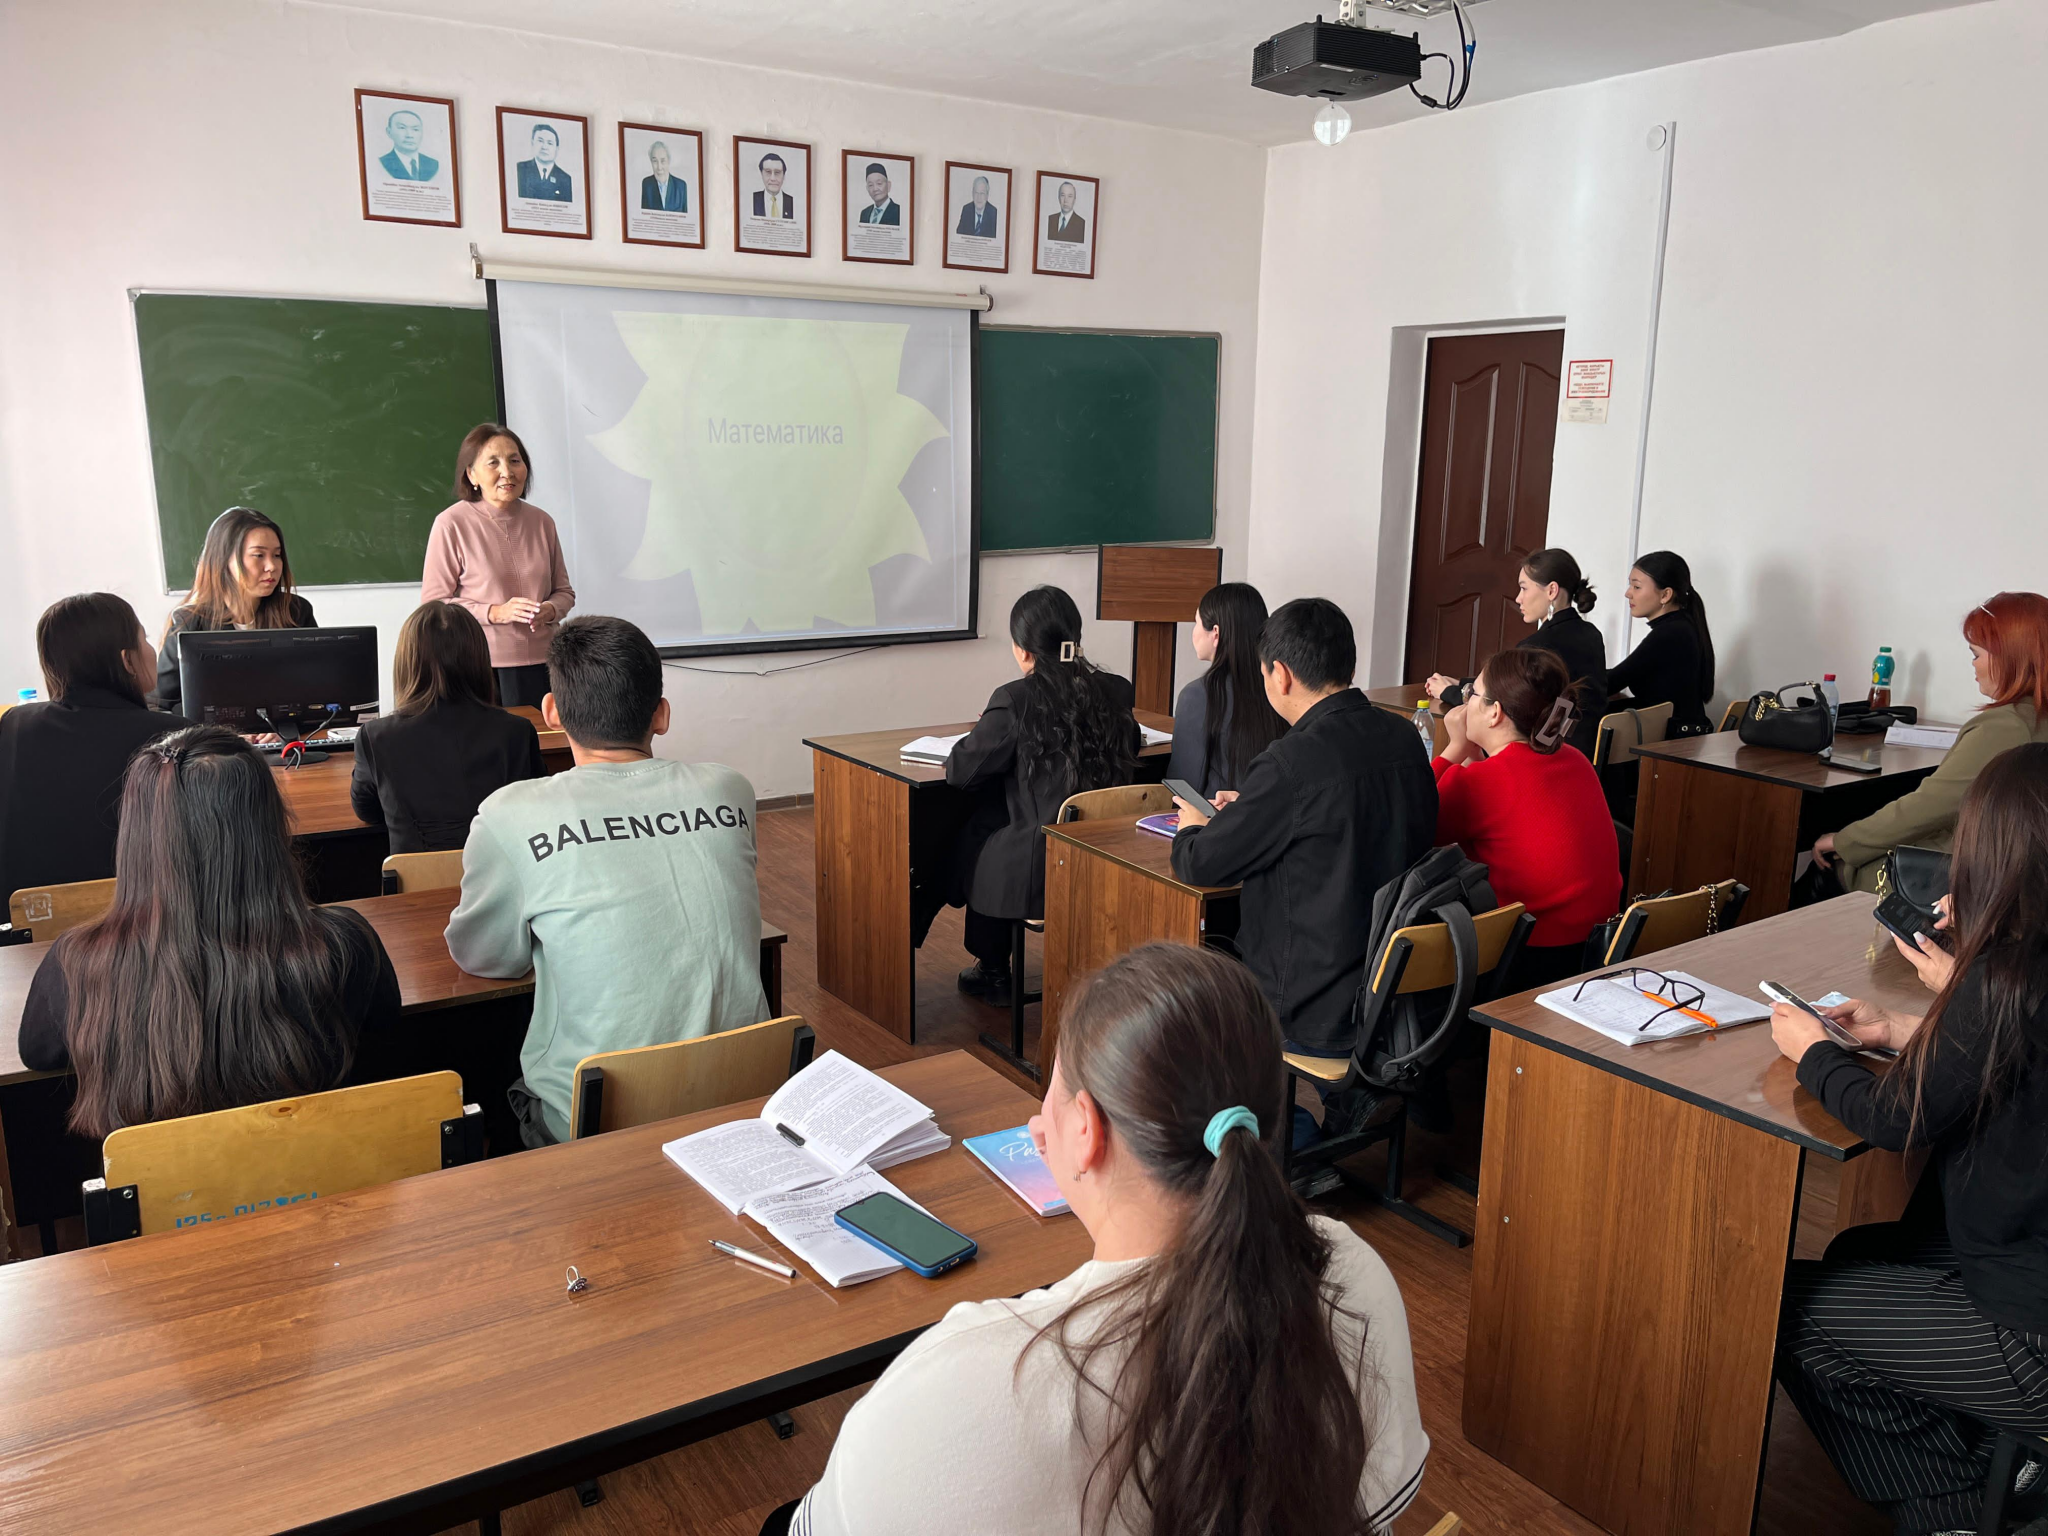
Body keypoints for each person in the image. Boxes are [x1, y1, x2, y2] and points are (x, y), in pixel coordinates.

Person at [766, 943, 1429, 1536]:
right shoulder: (1351, 1271)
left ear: (1085, 1130)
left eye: (1051, 1092)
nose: (1038, 1124)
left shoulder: (963, 1382)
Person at [1768, 743, 2048, 1536]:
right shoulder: (2019, 977)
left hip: (2034, 1331)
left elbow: (1895, 1119)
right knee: (1866, 1252)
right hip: (2024, 1250)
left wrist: (1814, 1053)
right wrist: (1903, 1026)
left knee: (1785, 1307)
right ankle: (1991, 1455)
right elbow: (2012, 1055)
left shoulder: (2008, 979)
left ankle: (1950, 1503)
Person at [445, 616, 768, 1147]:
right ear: (661, 715)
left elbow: (487, 958)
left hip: (601, 1120)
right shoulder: (729, 790)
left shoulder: (510, 814)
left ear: (551, 712)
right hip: (747, 1094)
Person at [17, 727, 410, 1136]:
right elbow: (389, 1040)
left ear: (135, 835)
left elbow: (37, 1052)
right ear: (268, 825)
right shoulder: (346, 945)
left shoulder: (76, 963)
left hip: (160, 1178)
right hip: (327, 1169)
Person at [1170, 598, 1437, 1057]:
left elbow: (1200, 864)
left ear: (1281, 674)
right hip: (1393, 982)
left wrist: (1192, 827)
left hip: (1310, 1000)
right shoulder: (1404, 735)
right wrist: (1256, 805)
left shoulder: (1290, 762)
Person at [941, 587, 1137, 1007]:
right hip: (1110, 852)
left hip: (1044, 863)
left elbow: (961, 771)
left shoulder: (1014, 699)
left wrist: (986, 728)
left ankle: (994, 969)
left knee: (982, 830)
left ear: (1024, 650)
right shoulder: (1117, 690)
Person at [1818, 591, 2048, 893]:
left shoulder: (2007, 726)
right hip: (2016, 874)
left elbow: (1928, 808)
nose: (1973, 665)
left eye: (1976, 655)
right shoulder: (2035, 719)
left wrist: (1844, 841)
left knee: (1831, 866)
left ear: (2009, 658)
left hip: (1960, 876)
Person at [1432, 648, 1619, 989]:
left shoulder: (1480, 783)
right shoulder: (1574, 759)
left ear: (1494, 713)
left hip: (1528, 962)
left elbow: (1412, 822)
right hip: (1599, 949)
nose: (1466, 700)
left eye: (1472, 692)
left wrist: (1454, 748)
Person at [0, 594, 190, 900]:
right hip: (144, 919)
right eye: (144, 639)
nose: (152, 650)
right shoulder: (175, 736)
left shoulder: (14, 725)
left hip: (25, 919)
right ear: (127, 660)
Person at [350, 601, 544, 856]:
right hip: (501, 874)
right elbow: (534, 809)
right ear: (479, 659)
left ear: (407, 663)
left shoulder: (376, 736)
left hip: (417, 879)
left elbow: (367, 811)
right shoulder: (517, 731)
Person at [421, 423, 576, 709]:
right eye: (493, 463)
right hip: (480, 666)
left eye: (515, 461)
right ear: (471, 474)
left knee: (544, 738)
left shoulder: (542, 522)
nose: (507, 472)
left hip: (546, 663)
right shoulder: (451, 523)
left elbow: (564, 592)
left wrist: (550, 610)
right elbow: (435, 604)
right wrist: (496, 612)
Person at [1425, 547, 1608, 760]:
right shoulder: (1591, 634)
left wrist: (1448, 692)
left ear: (1551, 591)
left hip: (1547, 754)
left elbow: (1498, 704)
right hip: (1585, 753)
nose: (1518, 598)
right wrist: (1463, 683)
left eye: (1524, 588)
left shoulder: (1537, 647)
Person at [155, 506, 316, 713]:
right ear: (223, 560)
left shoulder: (295, 611)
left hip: (284, 730)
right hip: (215, 733)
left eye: (277, 555)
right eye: (258, 555)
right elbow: (162, 704)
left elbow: (316, 685)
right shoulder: (190, 622)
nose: (272, 566)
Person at [1166, 581, 1285, 798]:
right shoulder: (1280, 685)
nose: (1193, 632)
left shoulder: (1199, 695)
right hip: (1272, 812)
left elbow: (1183, 787)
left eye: (1196, 622)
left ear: (1215, 633)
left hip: (1216, 814)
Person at [1604, 549, 1715, 735]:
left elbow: (1614, 680)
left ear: (1665, 595)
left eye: (1636, 587)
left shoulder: (1671, 633)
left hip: (1672, 742)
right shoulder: (1682, 626)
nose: (1628, 593)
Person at [515, 123, 572, 201]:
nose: (544, 147)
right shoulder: (520, 169)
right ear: (532, 143)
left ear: (557, 148)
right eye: (540, 141)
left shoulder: (565, 179)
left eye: (550, 143)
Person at [379, 109, 437, 181]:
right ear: (389, 132)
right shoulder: (381, 163)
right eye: (402, 128)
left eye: (415, 129)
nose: (409, 135)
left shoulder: (433, 165)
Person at [640, 139, 687, 211]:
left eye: (663, 161)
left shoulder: (681, 186)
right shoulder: (647, 184)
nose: (659, 167)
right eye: (655, 161)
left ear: (669, 161)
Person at [753, 153, 794, 218]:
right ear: (761, 174)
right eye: (768, 172)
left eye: (777, 172)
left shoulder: (792, 202)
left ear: (784, 175)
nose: (773, 178)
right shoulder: (752, 199)